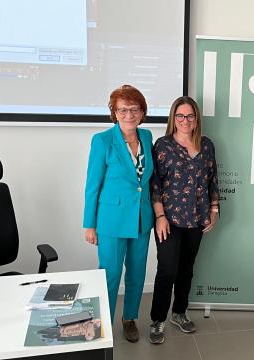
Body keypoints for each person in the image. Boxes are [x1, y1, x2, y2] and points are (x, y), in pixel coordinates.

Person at [83, 85, 154, 343]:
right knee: (110, 275)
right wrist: (89, 225)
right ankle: (104, 325)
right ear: (114, 113)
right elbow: (93, 186)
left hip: (141, 220)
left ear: (142, 112)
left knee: (137, 273)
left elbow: (144, 182)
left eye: (134, 109)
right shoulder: (102, 141)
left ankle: (129, 319)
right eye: (122, 109)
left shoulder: (147, 137)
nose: (128, 114)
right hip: (111, 222)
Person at [149, 96, 219, 344]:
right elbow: (155, 183)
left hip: (197, 219)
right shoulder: (163, 145)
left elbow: (212, 179)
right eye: (180, 116)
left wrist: (214, 210)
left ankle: (179, 313)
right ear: (173, 118)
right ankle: (157, 320)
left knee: (186, 271)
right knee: (167, 270)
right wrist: (159, 216)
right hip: (169, 219)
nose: (185, 120)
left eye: (190, 116)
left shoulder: (207, 145)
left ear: (196, 118)